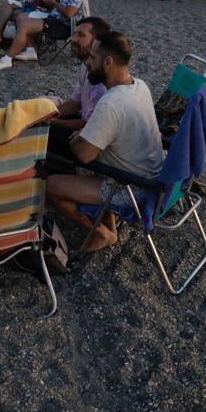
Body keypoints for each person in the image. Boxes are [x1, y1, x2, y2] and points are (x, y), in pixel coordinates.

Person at [46, 32, 163, 252]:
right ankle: (108, 224)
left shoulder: (110, 103)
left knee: (50, 186)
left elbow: (84, 155)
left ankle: (103, 235)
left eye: (91, 57)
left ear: (108, 62)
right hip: (154, 178)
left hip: (131, 189)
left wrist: (76, 139)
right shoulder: (140, 86)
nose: (87, 63)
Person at [46, 17, 112, 161]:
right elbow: (75, 103)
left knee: (44, 136)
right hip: (84, 123)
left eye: (80, 35)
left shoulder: (100, 79)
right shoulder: (85, 65)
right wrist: (46, 115)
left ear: (97, 42)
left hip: (91, 141)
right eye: (74, 34)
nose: (73, 39)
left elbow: (89, 125)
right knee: (41, 112)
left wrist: (51, 122)